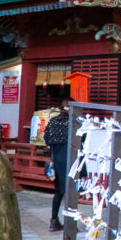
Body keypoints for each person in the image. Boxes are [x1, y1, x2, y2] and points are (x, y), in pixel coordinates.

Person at [45, 99, 71, 230]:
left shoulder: (53, 122)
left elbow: (47, 139)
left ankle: (53, 220)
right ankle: (71, 224)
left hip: (56, 159)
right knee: (71, 192)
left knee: (58, 192)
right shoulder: (73, 123)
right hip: (71, 159)